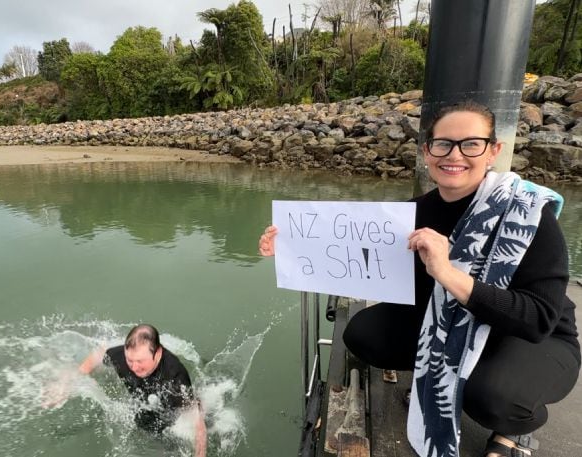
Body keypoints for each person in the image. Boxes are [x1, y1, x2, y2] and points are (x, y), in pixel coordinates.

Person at [258, 100, 580, 457]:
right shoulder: (414, 213)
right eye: (443, 143)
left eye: (471, 143)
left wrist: (447, 272)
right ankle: (442, 373)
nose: (454, 154)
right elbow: (358, 262)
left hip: (530, 339)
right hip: (451, 321)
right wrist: (291, 247)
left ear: (493, 151)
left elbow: (538, 320)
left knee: (492, 397)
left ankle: (512, 429)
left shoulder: (528, 215)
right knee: (363, 336)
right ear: (428, 151)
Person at [45, 324, 206, 457]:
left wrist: (200, 454)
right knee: (143, 423)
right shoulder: (120, 356)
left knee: (168, 445)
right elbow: (96, 357)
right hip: (144, 406)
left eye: (140, 361)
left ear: (157, 354)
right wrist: (64, 385)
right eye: (130, 360)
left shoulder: (175, 376)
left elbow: (197, 421)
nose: (134, 367)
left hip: (171, 413)